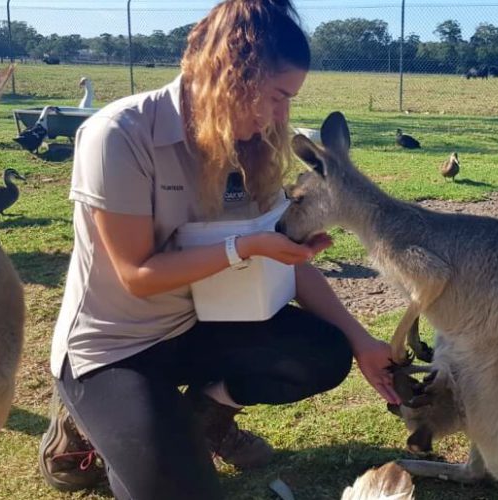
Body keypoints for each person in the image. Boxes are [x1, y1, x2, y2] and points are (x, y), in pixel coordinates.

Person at [36, 1, 400, 498]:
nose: (282, 115)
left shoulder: (254, 147)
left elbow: (288, 264)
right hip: (114, 348)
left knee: (324, 351)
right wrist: (246, 245)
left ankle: (203, 415)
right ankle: (85, 423)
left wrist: (363, 343)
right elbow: (137, 274)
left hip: (197, 327)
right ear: (229, 73)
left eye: (288, 100)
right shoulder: (119, 135)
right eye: (275, 96)